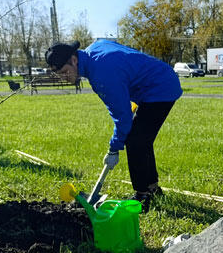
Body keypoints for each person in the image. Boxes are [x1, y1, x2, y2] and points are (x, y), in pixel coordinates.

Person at [45, 40, 182, 212]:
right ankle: (152, 188)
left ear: (74, 60)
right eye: (59, 75)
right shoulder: (93, 50)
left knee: (135, 141)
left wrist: (113, 149)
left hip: (160, 88)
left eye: (65, 72)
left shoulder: (101, 74)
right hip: (156, 82)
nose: (64, 78)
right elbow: (116, 57)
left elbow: (122, 117)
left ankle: (142, 195)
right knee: (142, 139)